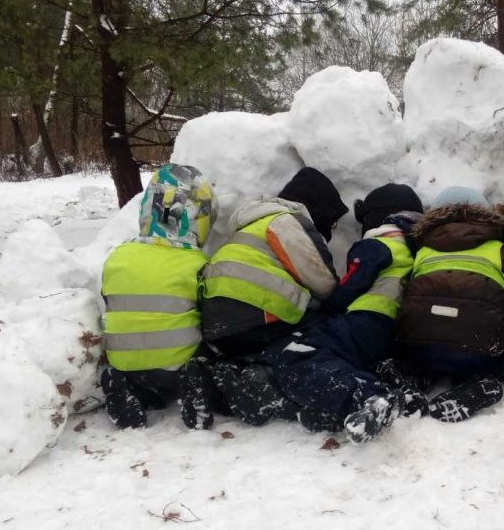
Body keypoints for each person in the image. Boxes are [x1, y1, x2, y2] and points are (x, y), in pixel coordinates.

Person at [273, 183, 426, 442]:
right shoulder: (422, 248)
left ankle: (369, 397)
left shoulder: (382, 242)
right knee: (350, 360)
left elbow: (349, 288)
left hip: (368, 319)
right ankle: (400, 395)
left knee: (297, 355)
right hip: (402, 332)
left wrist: (327, 307)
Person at [199, 167, 347, 425]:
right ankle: (264, 384)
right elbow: (323, 283)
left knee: (260, 349)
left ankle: (220, 380)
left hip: (217, 323)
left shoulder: (249, 227)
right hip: (258, 315)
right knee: (320, 336)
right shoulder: (288, 221)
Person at [100, 164, 221, 430]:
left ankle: (124, 385)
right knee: (211, 362)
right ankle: (194, 384)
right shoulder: (196, 263)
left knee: (142, 376)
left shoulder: (118, 256)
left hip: (126, 361)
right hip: (177, 364)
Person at [395, 186, 504, 423]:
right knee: (486, 348)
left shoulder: (423, 250)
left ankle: (416, 379)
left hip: (422, 343)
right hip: (477, 346)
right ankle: (480, 381)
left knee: (421, 352)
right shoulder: (497, 249)